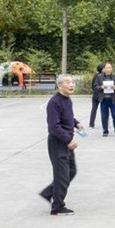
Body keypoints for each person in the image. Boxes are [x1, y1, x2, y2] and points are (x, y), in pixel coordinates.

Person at [39, 74, 83, 215]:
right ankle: (57, 207)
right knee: (62, 176)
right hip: (58, 143)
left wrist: (76, 123)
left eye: (72, 82)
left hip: (66, 142)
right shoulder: (54, 102)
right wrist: (68, 140)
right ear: (59, 86)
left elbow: (67, 116)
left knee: (71, 171)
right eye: (67, 82)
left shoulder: (67, 100)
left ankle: (48, 193)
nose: (71, 84)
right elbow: (54, 126)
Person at [95, 62, 115, 137]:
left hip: (112, 98)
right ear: (104, 69)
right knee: (104, 116)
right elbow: (95, 86)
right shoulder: (99, 77)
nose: (108, 69)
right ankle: (105, 131)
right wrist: (101, 87)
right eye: (107, 68)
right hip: (103, 99)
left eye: (110, 68)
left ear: (112, 69)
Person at [88, 63, 104, 129]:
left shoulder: (95, 75)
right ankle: (105, 123)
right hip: (101, 94)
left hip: (95, 94)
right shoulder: (103, 76)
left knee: (94, 109)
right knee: (104, 109)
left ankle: (91, 124)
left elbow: (92, 85)